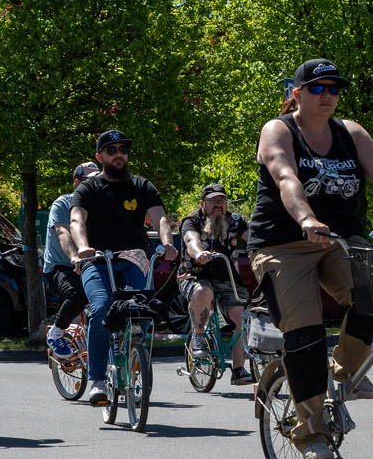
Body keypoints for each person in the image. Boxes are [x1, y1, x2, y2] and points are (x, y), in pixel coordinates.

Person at [249, 59, 373, 459]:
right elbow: (285, 177)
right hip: (284, 244)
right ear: (296, 94)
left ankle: (343, 370)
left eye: (334, 88)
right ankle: (310, 432)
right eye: (317, 88)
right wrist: (306, 218)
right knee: (306, 330)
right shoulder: (279, 130)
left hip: (340, 239)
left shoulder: (350, 133)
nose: (327, 95)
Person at [69, 130, 176, 407]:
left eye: (123, 149)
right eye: (111, 149)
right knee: (103, 306)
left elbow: (160, 218)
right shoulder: (88, 189)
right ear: (100, 156)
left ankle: (134, 354)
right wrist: (82, 247)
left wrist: (167, 243)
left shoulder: (142, 186)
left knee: (141, 309)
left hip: (134, 259)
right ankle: (97, 380)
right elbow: (77, 220)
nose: (119, 154)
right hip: (97, 260)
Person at [178, 183, 253, 386]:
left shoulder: (236, 221)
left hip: (228, 278)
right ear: (203, 203)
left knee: (242, 318)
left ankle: (238, 369)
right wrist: (198, 252)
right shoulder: (192, 220)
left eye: (222, 201)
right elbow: (190, 240)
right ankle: (198, 337)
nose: (218, 205)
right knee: (203, 292)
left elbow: (254, 240)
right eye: (213, 201)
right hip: (194, 275)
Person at [42, 162, 101, 359]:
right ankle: (56, 331)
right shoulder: (62, 204)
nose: (93, 186)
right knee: (79, 294)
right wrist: (75, 258)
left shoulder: (99, 206)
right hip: (61, 267)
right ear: (77, 183)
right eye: (88, 182)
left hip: (92, 264)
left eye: (97, 181)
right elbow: (62, 232)